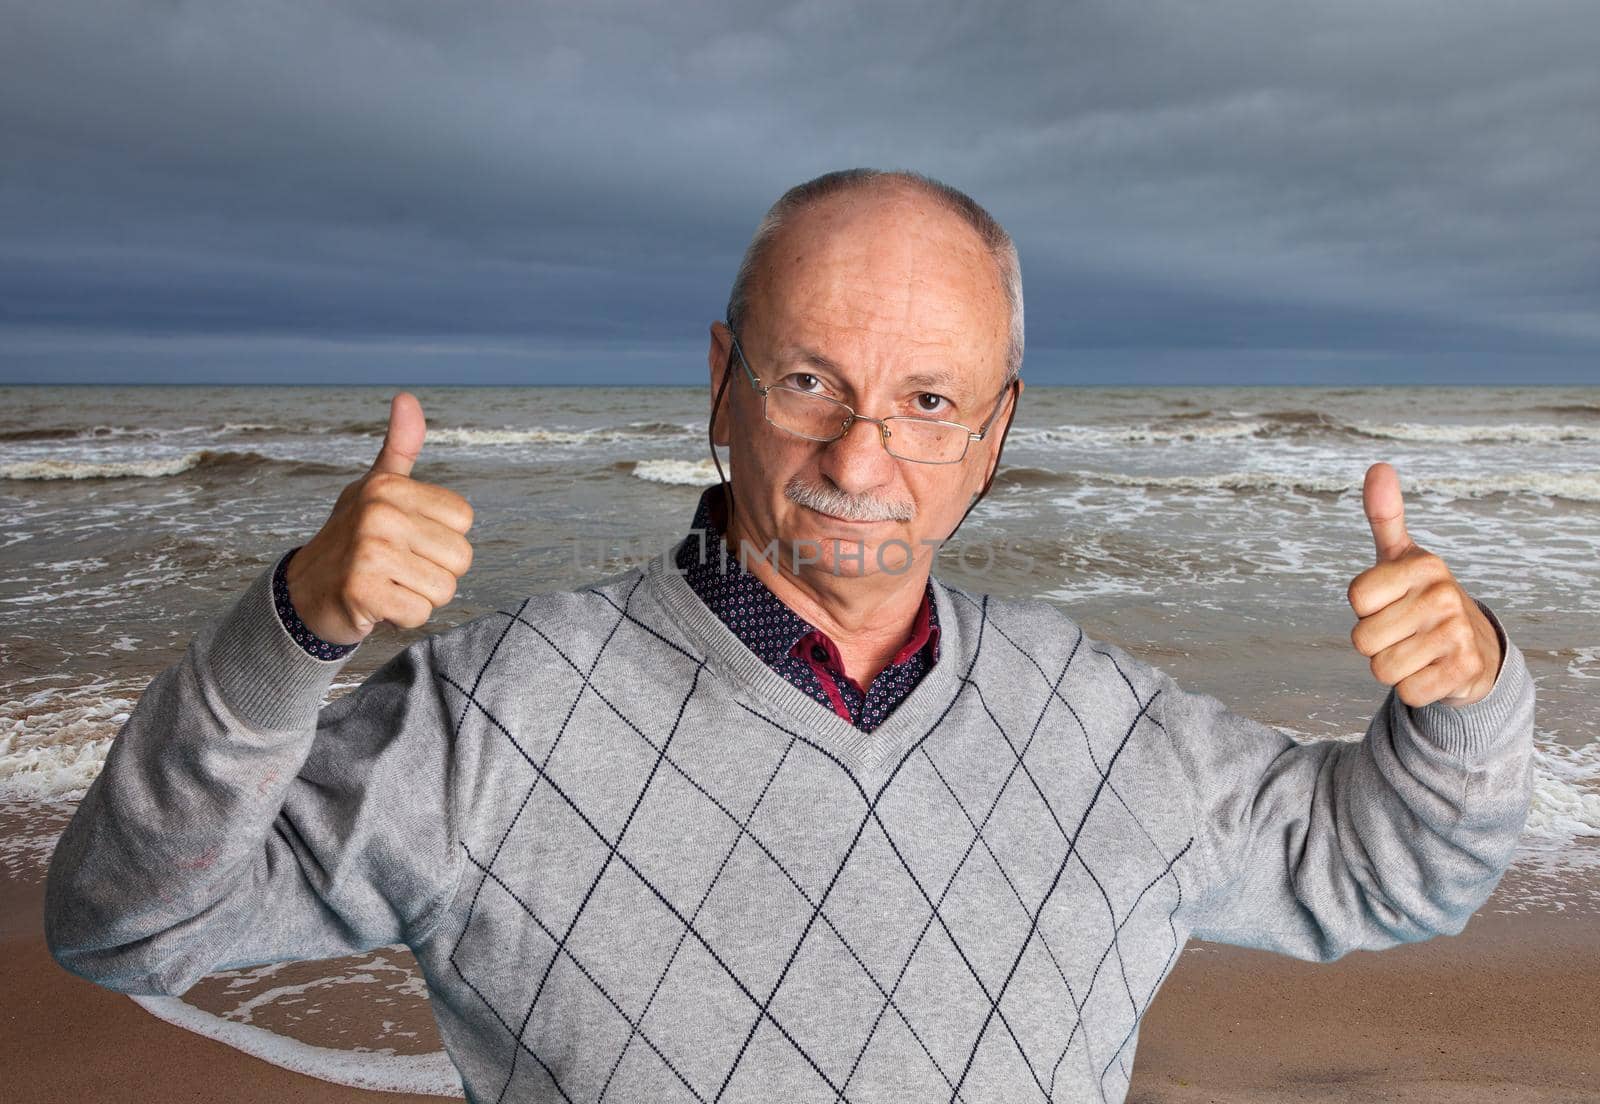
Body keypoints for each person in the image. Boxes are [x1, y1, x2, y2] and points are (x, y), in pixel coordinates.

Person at [44, 169, 1534, 1104]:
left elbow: (1387, 869)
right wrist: (293, 628)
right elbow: (128, 922)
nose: (862, 457)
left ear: (998, 430)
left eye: (930, 401)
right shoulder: (493, 720)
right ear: (722, 381)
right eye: (809, 381)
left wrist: (1462, 692)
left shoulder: (1106, 725)